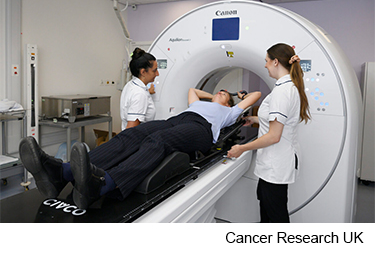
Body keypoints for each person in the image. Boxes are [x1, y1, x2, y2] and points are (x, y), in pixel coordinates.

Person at [19, 88, 261, 209]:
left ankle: (104, 184)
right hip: (179, 119)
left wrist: (234, 98)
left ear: (231, 104)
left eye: (225, 94)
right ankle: (63, 174)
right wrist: (215, 96)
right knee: (133, 133)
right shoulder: (197, 102)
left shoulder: (230, 112)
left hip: (202, 130)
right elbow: (193, 91)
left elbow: (256, 94)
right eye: (220, 91)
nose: (221, 93)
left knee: (160, 141)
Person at [227, 43, 311, 223]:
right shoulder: (289, 87)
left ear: (275, 62)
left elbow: (274, 135)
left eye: (266, 61)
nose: (265, 65)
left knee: (274, 215)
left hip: (276, 163)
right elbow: (282, 122)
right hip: (277, 162)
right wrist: (256, 120)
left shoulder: (282, 92)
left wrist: (242, 148)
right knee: (269, 209)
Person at [120, 48, 159, 130]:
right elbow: (131, 130)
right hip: (138, 142)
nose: (157, 74)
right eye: (154, 70)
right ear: (143, 72)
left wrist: (148, 92)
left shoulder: (131, 85)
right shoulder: (139, 94)